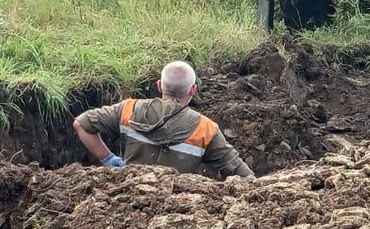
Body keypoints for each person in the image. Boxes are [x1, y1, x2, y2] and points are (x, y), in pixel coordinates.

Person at [72, 60, 254, 179]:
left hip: (129, 194)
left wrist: (109, 160)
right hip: (179, 207)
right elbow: (238, 170)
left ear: (159, 86)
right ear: (193, 90)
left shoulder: (129, 109)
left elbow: (80, 124)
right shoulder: (205, 129)